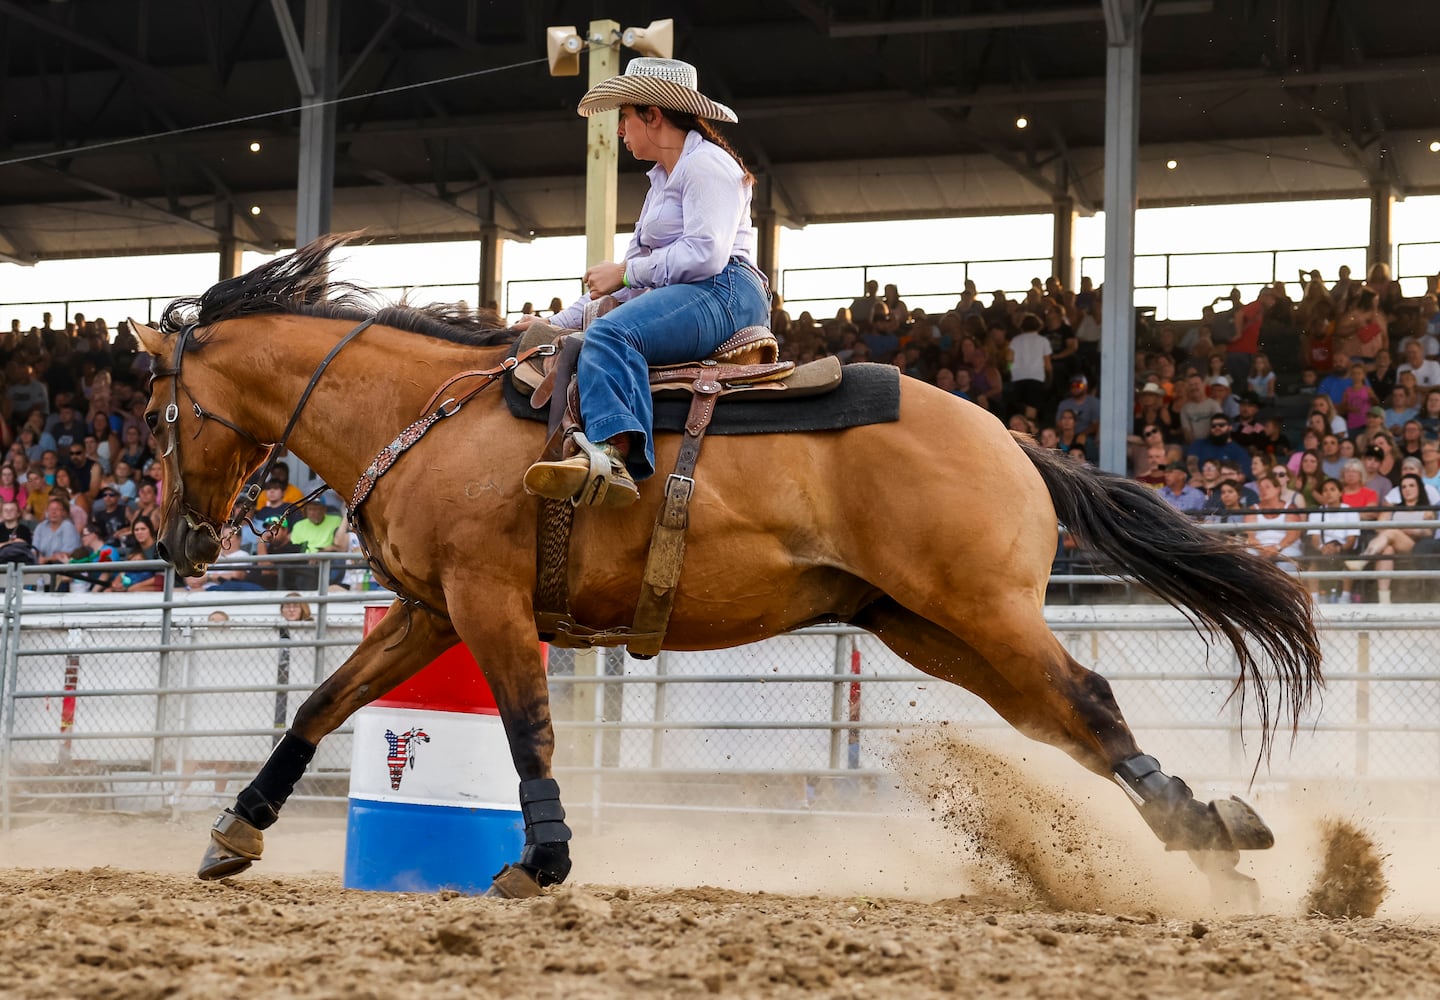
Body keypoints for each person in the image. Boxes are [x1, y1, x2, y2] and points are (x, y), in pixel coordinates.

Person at [521, 58, 768, 508]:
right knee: (602, 328)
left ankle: (613, 453)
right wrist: (554, 324)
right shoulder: (663, 181)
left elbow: (707, 254)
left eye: (625, 117)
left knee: (612, 334)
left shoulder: (707, 165)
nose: (619, 130)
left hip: (729, 289)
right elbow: (627, 285)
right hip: (700, 292)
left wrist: (627, 272)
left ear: (652, 115)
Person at [1361, 473, 1437, 603]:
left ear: (1419, 488)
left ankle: (1364, 558)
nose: (1407, 489)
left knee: (1392, 532)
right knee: (1387, 550)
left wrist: (1405, 529)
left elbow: (1428, 533)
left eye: (1411, 486)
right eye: (1404, 487)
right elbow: (1378, 528)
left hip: (1413, 546)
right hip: (1391, 545)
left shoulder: (1427, 510)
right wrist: (1387, 513)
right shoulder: (1395, 508)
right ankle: (1384, 600)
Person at [1303, 478, 1361, 603]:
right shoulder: (1317, 513)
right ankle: (1315, 599)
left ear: (1340, 492)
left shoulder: (1350, 511)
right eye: (1325, 490)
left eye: (1332, 489)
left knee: (1348, 563)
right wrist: (1321, 548)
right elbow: (1315, 539)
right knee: (1313, 564)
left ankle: (1345, 598)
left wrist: (1339, 548)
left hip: (1344, 549)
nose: (1328, 493)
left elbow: (1351, 540)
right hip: (1323, 549)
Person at [1245, 473, 1304, 571]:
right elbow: (1251, 536)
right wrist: (1262, 549)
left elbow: (1293, 534)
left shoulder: (1289, 508)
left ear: (1278, 489)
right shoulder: (1252, 509)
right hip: (1259, 548)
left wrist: (1277, 548)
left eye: (1267, 487)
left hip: (1284, 546)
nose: (1263, 490)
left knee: (1286, 559)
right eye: (1260, 488)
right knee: (1249, 556)